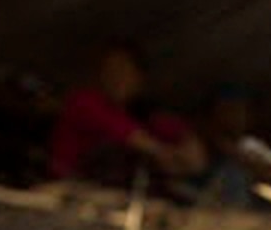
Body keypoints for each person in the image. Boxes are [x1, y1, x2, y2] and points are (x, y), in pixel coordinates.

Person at [47, 43, 206, 187]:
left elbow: (188, 147)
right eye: (110, 70)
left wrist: (188, 144)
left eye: (124, 70)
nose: (116, 77)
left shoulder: (143, 113)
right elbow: (120, 130)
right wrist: (163, 154)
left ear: (139, 79)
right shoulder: (84, 102)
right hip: (65, 194)